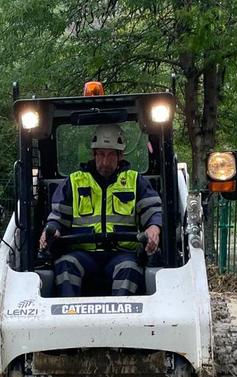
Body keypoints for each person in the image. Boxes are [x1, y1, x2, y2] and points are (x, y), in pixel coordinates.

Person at [38, 123, 162, 296]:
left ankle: (121, 321)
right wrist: (51, 231)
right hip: (82, 253)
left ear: (120, 156)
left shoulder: (135, 181)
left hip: (122, 253)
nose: (105, 161)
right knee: (65, 264)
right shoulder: (74, 182)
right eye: (101, 154)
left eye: (111, 155)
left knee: (130, 268)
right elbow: (57, 217)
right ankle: (69, 318)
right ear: (93, 154)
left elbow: (153, 211)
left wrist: (153, 228)